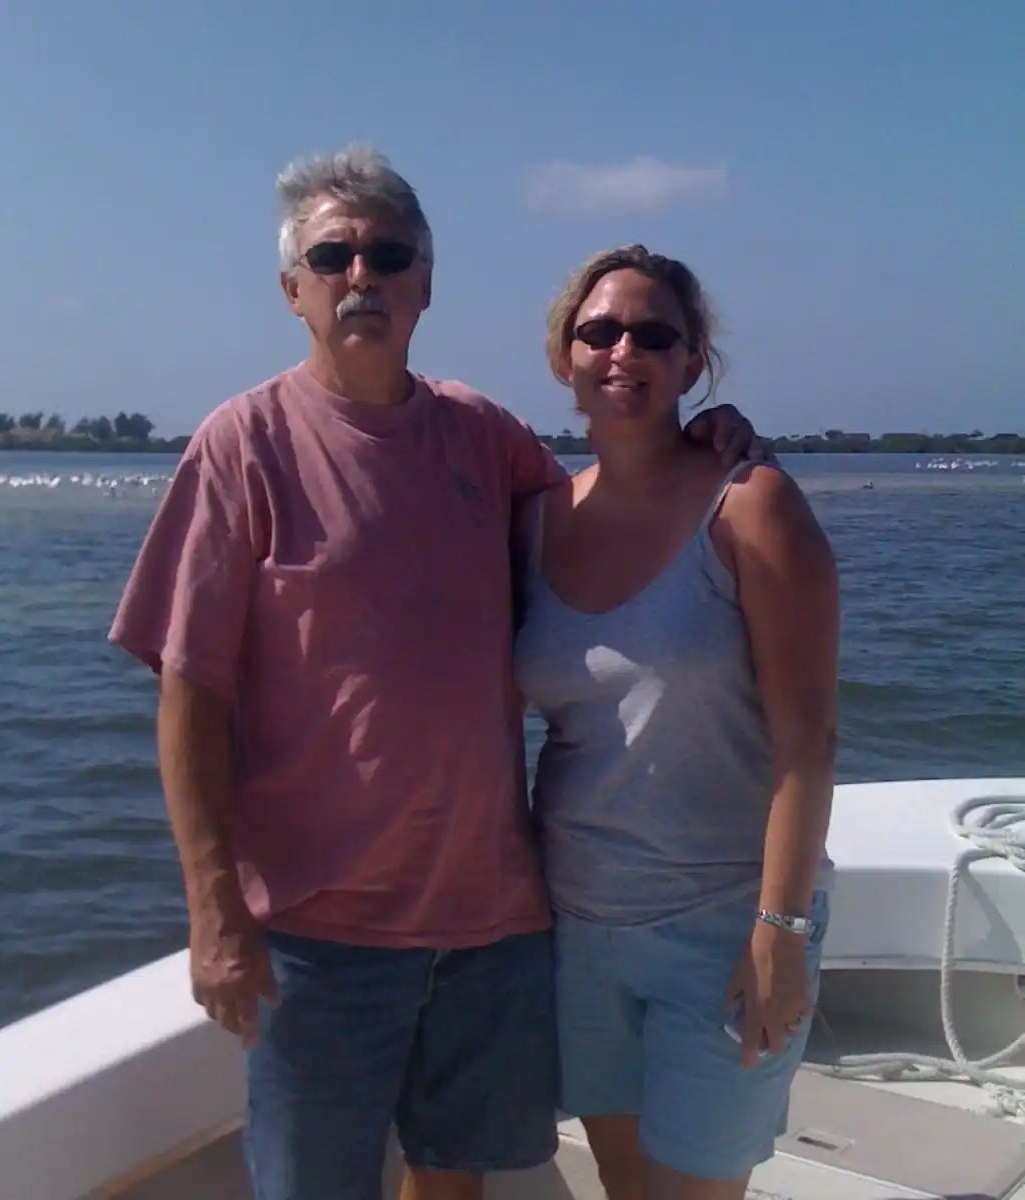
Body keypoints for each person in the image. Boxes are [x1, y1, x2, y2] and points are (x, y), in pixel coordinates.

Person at [108, 148, 764, 1200]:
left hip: (493, 922)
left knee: (454, 1180)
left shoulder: (484, 437)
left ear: (425, 282)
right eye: (333, 255)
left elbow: (610, 513)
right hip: (318, 935)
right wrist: (213, 910)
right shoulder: (241, 446)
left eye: (388, 253)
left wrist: (705, 442)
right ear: (294, 289)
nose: (360, 273)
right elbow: (190, 697)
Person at [513, 244, 839, 1200]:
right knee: (625, 1187)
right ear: (563, 355)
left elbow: (809, 742)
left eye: (655, 334)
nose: (625, 351)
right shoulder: (529, 519)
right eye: (600, 331)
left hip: (725, 929)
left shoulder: (751, 504)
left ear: (693, 363)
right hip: (578, 923)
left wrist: (778, 932)